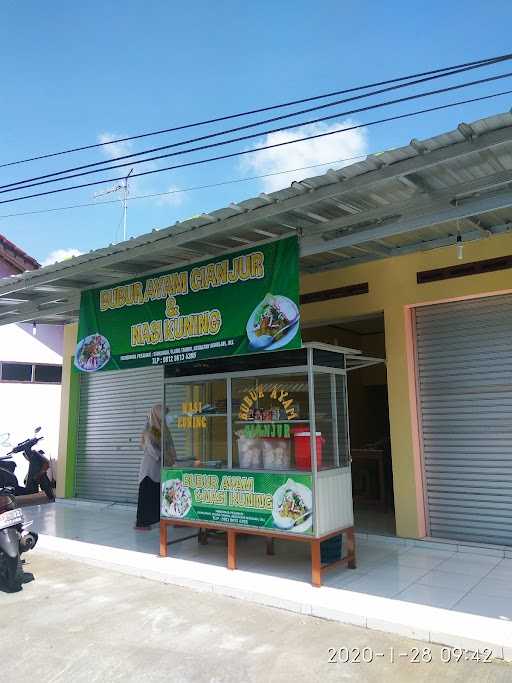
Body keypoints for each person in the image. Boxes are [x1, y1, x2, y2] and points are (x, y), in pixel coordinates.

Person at [135, 404, 175, 530]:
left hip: (160, 467)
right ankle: (142, 523)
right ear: (157, 414)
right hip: (150, 469)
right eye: (165, 413)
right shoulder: (150, 430)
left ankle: (160, 519)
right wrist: (166, 458)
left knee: (158, 494)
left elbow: (169, 446)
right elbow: (152, 449)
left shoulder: (162, 429)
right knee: (148, 495)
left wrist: (172, 457)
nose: (167, 416)